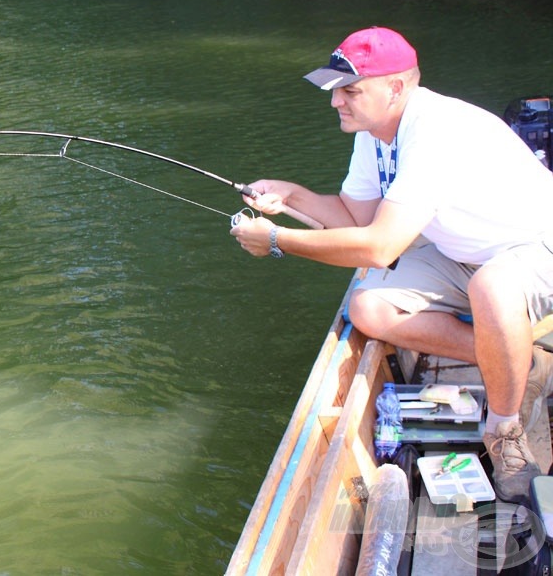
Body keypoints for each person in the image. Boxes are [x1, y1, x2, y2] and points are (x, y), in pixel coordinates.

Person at [229, 26, 553, 504]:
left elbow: (379, 247)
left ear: (396, 87)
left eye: (350, 90)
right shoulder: (376, 133)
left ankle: (504, 431)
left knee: (493, 289)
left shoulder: (436, 132)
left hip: (535, 250)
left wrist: (278, 239)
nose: (337, 101)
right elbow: (356, 216)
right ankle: (513, 355)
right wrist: (290, 194)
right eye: (337, 90)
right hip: (465, 254)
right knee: (369, 309)